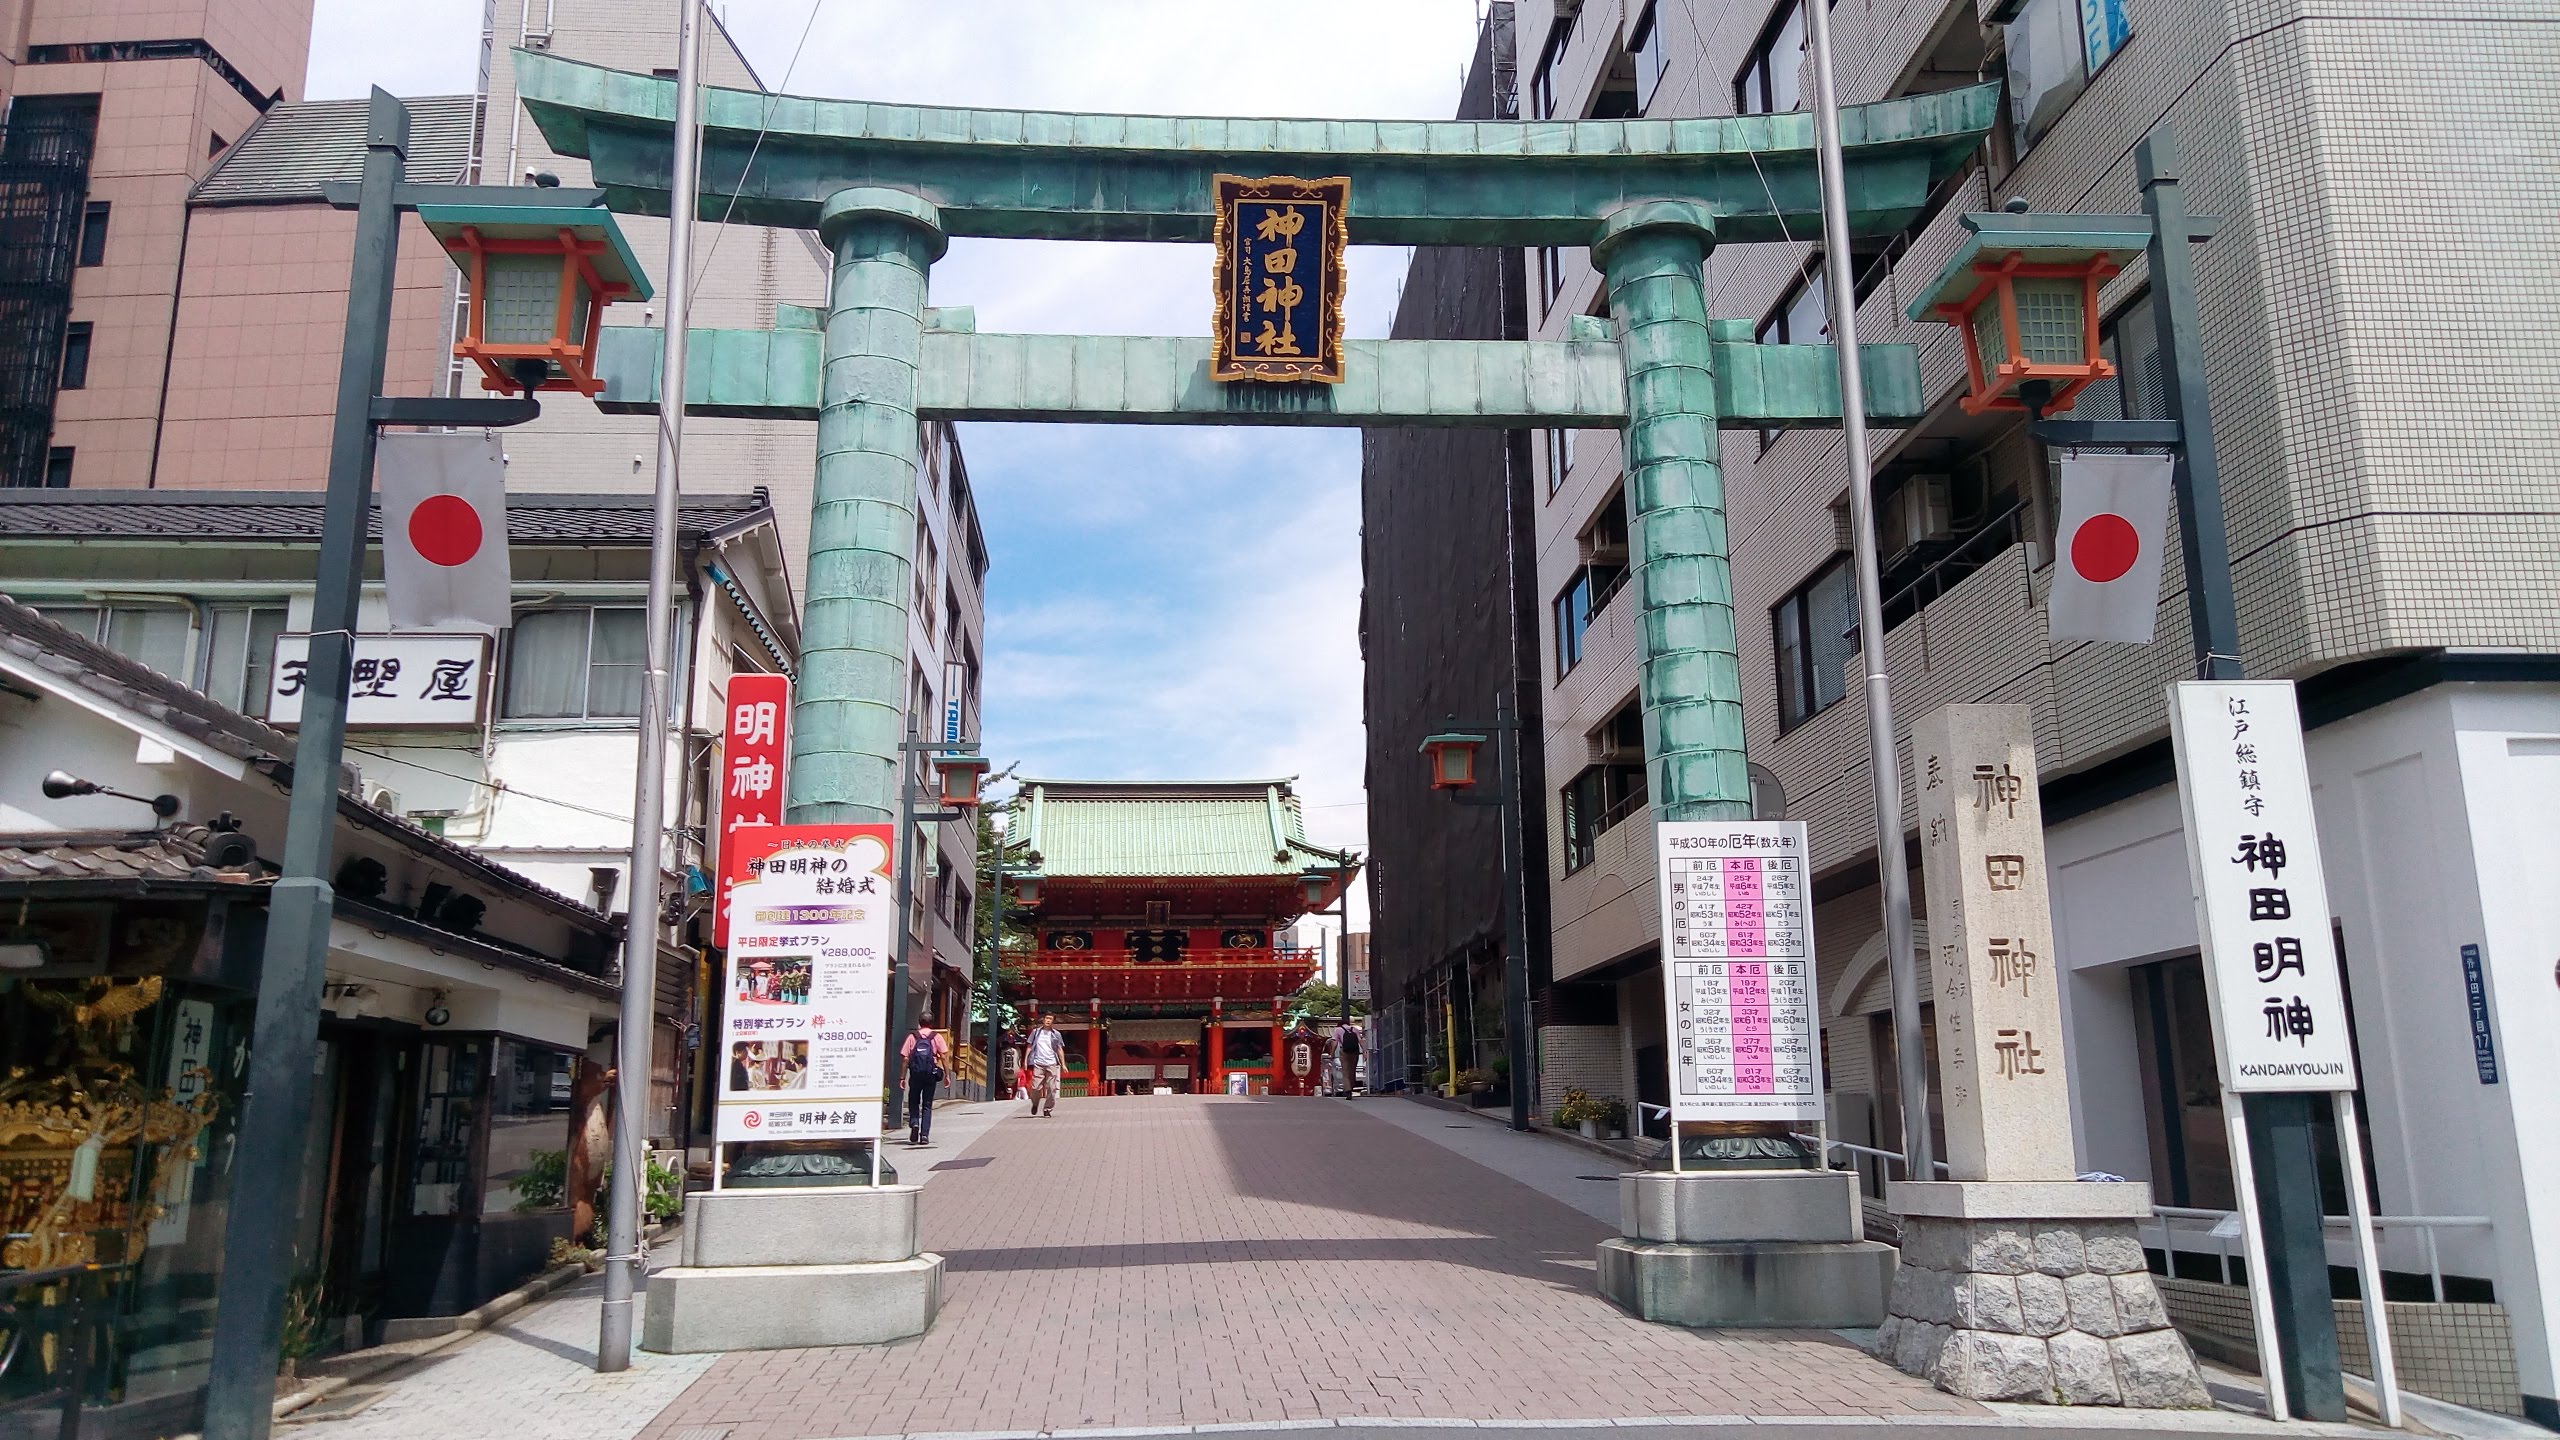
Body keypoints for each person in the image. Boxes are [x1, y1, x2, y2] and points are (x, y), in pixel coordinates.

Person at [900, 1020, 950, 1145]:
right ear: (932, 1023)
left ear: (919, 1023)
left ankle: (915, 1122)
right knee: (927, 1105)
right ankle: (924, 1136)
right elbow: (943, 1056)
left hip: (915, 1074)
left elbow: (906, 1058)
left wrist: (902, 1077)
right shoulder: (936, 1037)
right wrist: (947, 1075)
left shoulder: (913, 1036)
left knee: (913, 1101)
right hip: (930, 1074)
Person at [1025, 1016, 1065, 1117]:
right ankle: (1035, 1103)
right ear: (1043, 1020)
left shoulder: (1056, 1034)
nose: (1047, 1020)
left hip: (1052, 1063)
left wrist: (1063, 1064)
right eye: (1046, 1018)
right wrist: (1026, 1060)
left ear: (1053, 1021)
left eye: (1050, 1019)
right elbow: (1029, 1046)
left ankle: (1047, 1108)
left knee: (1052, 1088)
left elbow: (1059, 1049)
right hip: (1038, 1063)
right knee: (1035, 1087)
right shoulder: (1036, 1032)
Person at [1335, 1019, 1363, 1096]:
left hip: (1344, 1052)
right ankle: (1352, 1086)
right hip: (1355, 1052)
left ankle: (1348, 1090)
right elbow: (1360, 1041)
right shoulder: (1355, 1029)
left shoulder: (1338, 1030)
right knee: (1352, 1070)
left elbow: (1335, 1042)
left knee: (1345, 1071)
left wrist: (1331, 1054)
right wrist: (1364, 1051)